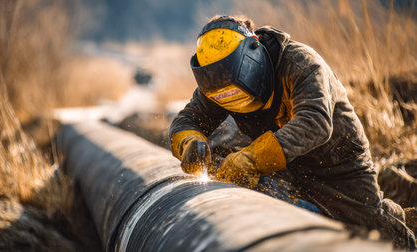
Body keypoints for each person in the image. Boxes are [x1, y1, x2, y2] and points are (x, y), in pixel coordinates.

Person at [168, 15, 415, 249]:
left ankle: (401, 220)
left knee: (372, 232)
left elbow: (315, 122)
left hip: (338, 163)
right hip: (283, 165)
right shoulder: (219, 81)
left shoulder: (301, 63)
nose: (236, 103)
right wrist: (190, 143)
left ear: (254, 55)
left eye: (239, 93)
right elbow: (187, 120)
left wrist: (251, 160)